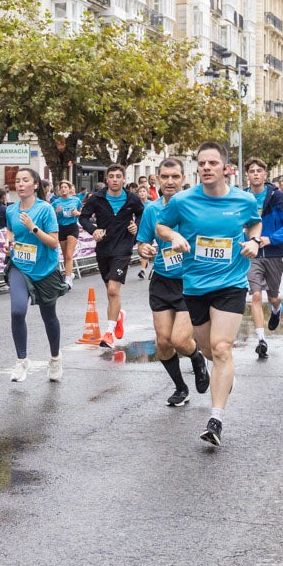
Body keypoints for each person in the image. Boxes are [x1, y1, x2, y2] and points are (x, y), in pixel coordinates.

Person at [156, 143, 262, 447]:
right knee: (207, 350)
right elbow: (161, 226)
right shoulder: (183, 200)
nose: (206, 168)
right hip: (195, 286)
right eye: (202, 163)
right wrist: (174, 235)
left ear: (225, 168)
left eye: (212, 163)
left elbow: (254, 222)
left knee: (222, 347)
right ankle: (223, 374)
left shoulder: (243, 200)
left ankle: (215, 420)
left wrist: (254, 241)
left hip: (230, 283)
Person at [135, 158, 209, 407]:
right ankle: (180, 387)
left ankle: (197, 358)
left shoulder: (195, 207)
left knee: (180, 340)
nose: (170, 181)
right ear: (157, 179)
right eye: (165, 177)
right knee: (164, 343)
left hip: (190, 282)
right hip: (162, 280)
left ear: (183, 179)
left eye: (175, 176)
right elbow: (143, 242)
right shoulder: (151, 210)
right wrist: (144, 249)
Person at [6, 167, 66, 382]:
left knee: (49, 317)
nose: (20, 184)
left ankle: (55, 358)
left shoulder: (45, 209)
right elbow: (10, 231)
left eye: (25, 180)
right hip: (20, 266)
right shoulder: (11, 210)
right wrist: (9, 242)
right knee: (17, 311)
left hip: (45, 269)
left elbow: (53, 243)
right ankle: (22, 361)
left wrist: (33, 227)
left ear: (36, 185)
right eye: (17, 181)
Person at [77, 164, 144, 348]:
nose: (115, 180)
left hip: (123, 248)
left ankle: (109, 333)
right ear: (106, 179)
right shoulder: (97, 198)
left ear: (124, 179)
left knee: (113, 290)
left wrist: (136, 225)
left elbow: (142, 214)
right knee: (110, 291)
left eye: (118, 176)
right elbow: (83, 217)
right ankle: (118, 314)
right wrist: (93, 230)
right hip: (104, 248)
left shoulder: (132, 199)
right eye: (112, 176)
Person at [244, 160, 283, 360]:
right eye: (252, 171)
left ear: (265, 175)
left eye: (259, 171)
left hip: (273, 253)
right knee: (256, 295)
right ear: (247, 176)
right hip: (252, 254)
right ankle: (261, 340)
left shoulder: (277, 196)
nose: (255, 174)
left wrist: (272, 238)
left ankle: (276, 308)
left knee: (273, 296)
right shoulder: (243, 197)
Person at [51, 180, 82, 285]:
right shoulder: (55, 202)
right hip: (61, 228)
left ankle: (68, 279)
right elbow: (51, 218)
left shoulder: (76, 200)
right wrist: (56, 212)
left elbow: (82, 212)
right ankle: (70, 273)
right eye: (61, 188)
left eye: (65, 187)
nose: (63, 189)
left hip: (72, 227)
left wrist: (77, 213)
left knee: (69, 255)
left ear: (69, 189)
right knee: (65, 256)